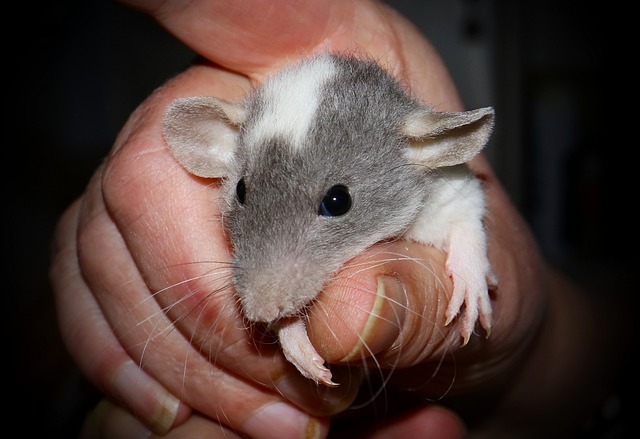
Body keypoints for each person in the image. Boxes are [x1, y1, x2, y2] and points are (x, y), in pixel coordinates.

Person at [49, 0, 632, 438]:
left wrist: (470, 259)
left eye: (335, 203)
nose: (263, 293)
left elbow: (463, 209)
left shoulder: (422, 167)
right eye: (246, 193)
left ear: (429, 150)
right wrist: (292, 333)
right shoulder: (255, 150)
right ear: (224, 148)